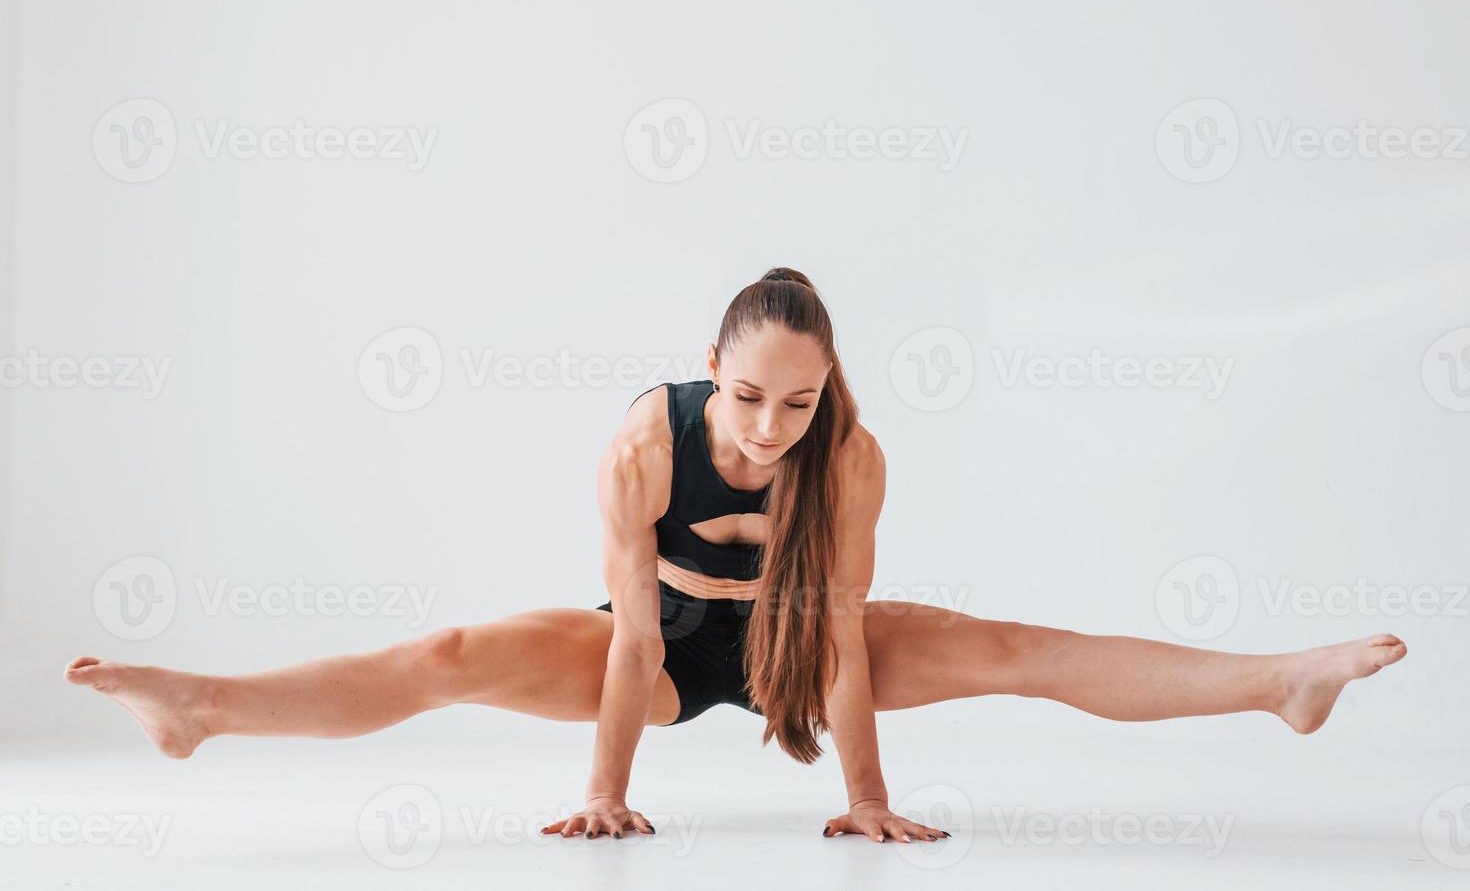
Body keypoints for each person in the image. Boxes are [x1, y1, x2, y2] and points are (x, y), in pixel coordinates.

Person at [64, 266, 1408, 845]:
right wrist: (604, 791)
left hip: (791, 651)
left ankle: (1279, 679)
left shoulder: (853, 456)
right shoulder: (645, 439)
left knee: (1012, 649)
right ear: (714, 370)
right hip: (655, 652)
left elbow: (829, 633)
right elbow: (637, 634)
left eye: (799, 400)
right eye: (752, 397)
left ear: (827, 386)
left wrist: (865, 794)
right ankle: (202, 707)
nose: (770, 429)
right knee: (448, 657)